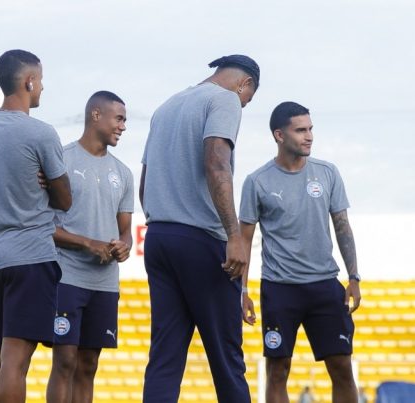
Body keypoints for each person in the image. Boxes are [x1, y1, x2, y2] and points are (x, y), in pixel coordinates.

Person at [139, 54, 260, 403]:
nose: (243, 105)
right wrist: (234, 236)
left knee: (164, 357)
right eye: (247, 101)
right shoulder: (224, 99)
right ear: (245, 84)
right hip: (201, 239)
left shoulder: (167, 106)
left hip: (159, 237)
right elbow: (217, 163)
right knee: (226, 358)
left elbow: (146, 182)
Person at [240, 101, 361, 403]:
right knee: (278, 370)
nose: (309, 136)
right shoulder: (257, 181)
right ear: (279, 136)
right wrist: (241, 290)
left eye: (310, 129)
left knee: (342, 368)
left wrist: (354, 276)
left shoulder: (327, 173)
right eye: (301, 130)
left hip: (324, 286)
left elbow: (343, 227)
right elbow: (243, 240)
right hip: (280, 290)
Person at [0, 49, 72, 403]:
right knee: (17, 360)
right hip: (29, 256)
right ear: (28, 81)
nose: (42, 86)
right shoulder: (40, 133)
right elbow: (65, 199)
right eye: (40, 79)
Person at [45, 91, 133, 403]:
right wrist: (87, 244)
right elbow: (45, 226)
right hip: (67, 277)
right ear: (96, 115)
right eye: (118, 118)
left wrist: (124, 246)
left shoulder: (123, 173)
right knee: (65, 361)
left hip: (105, 283)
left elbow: (125, 231)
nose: (123, 126)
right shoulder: (62, 161)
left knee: (89, 364)